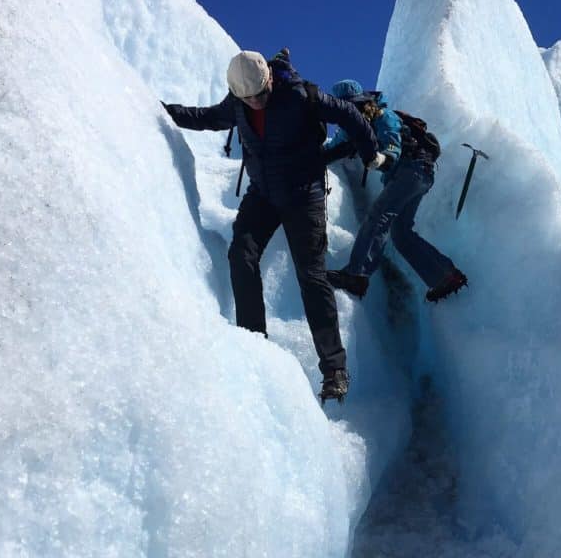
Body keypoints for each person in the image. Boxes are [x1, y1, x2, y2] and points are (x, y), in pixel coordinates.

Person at [162, 51, 384, 403]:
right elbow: (207, 118)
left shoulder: (299, 95)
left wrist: (371, 153)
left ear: (270, 80)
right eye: (248, 98)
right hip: (263, 194)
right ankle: (255, 344)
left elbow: (350, 114)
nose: (256, 102)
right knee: (241, 255)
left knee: (311, 276)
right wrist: (163, 111)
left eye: (261, 94)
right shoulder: (237, 104)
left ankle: (334, 369)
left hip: (304, 195)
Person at [323, 79, 467, 302]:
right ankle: (445, 276)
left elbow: (392, 140)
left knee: (379, 215)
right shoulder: (352, 126)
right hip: (418, 176)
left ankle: (356, 274)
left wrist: (386, 157)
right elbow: (334, 148)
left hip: (412, 169)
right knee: (400, 233)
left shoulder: (382, 115)